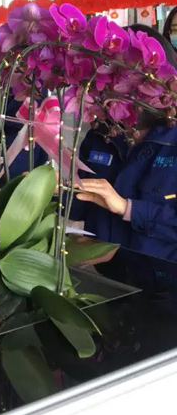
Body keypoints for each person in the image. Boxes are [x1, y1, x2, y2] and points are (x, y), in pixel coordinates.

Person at [74, 26, 177, 261]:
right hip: (102, 273)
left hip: (161, 276)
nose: (120, 86)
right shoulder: (102, 135)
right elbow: (79, 207)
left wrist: (126, 208)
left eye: (132, 78)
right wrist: (51, 188)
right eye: (111, 77)